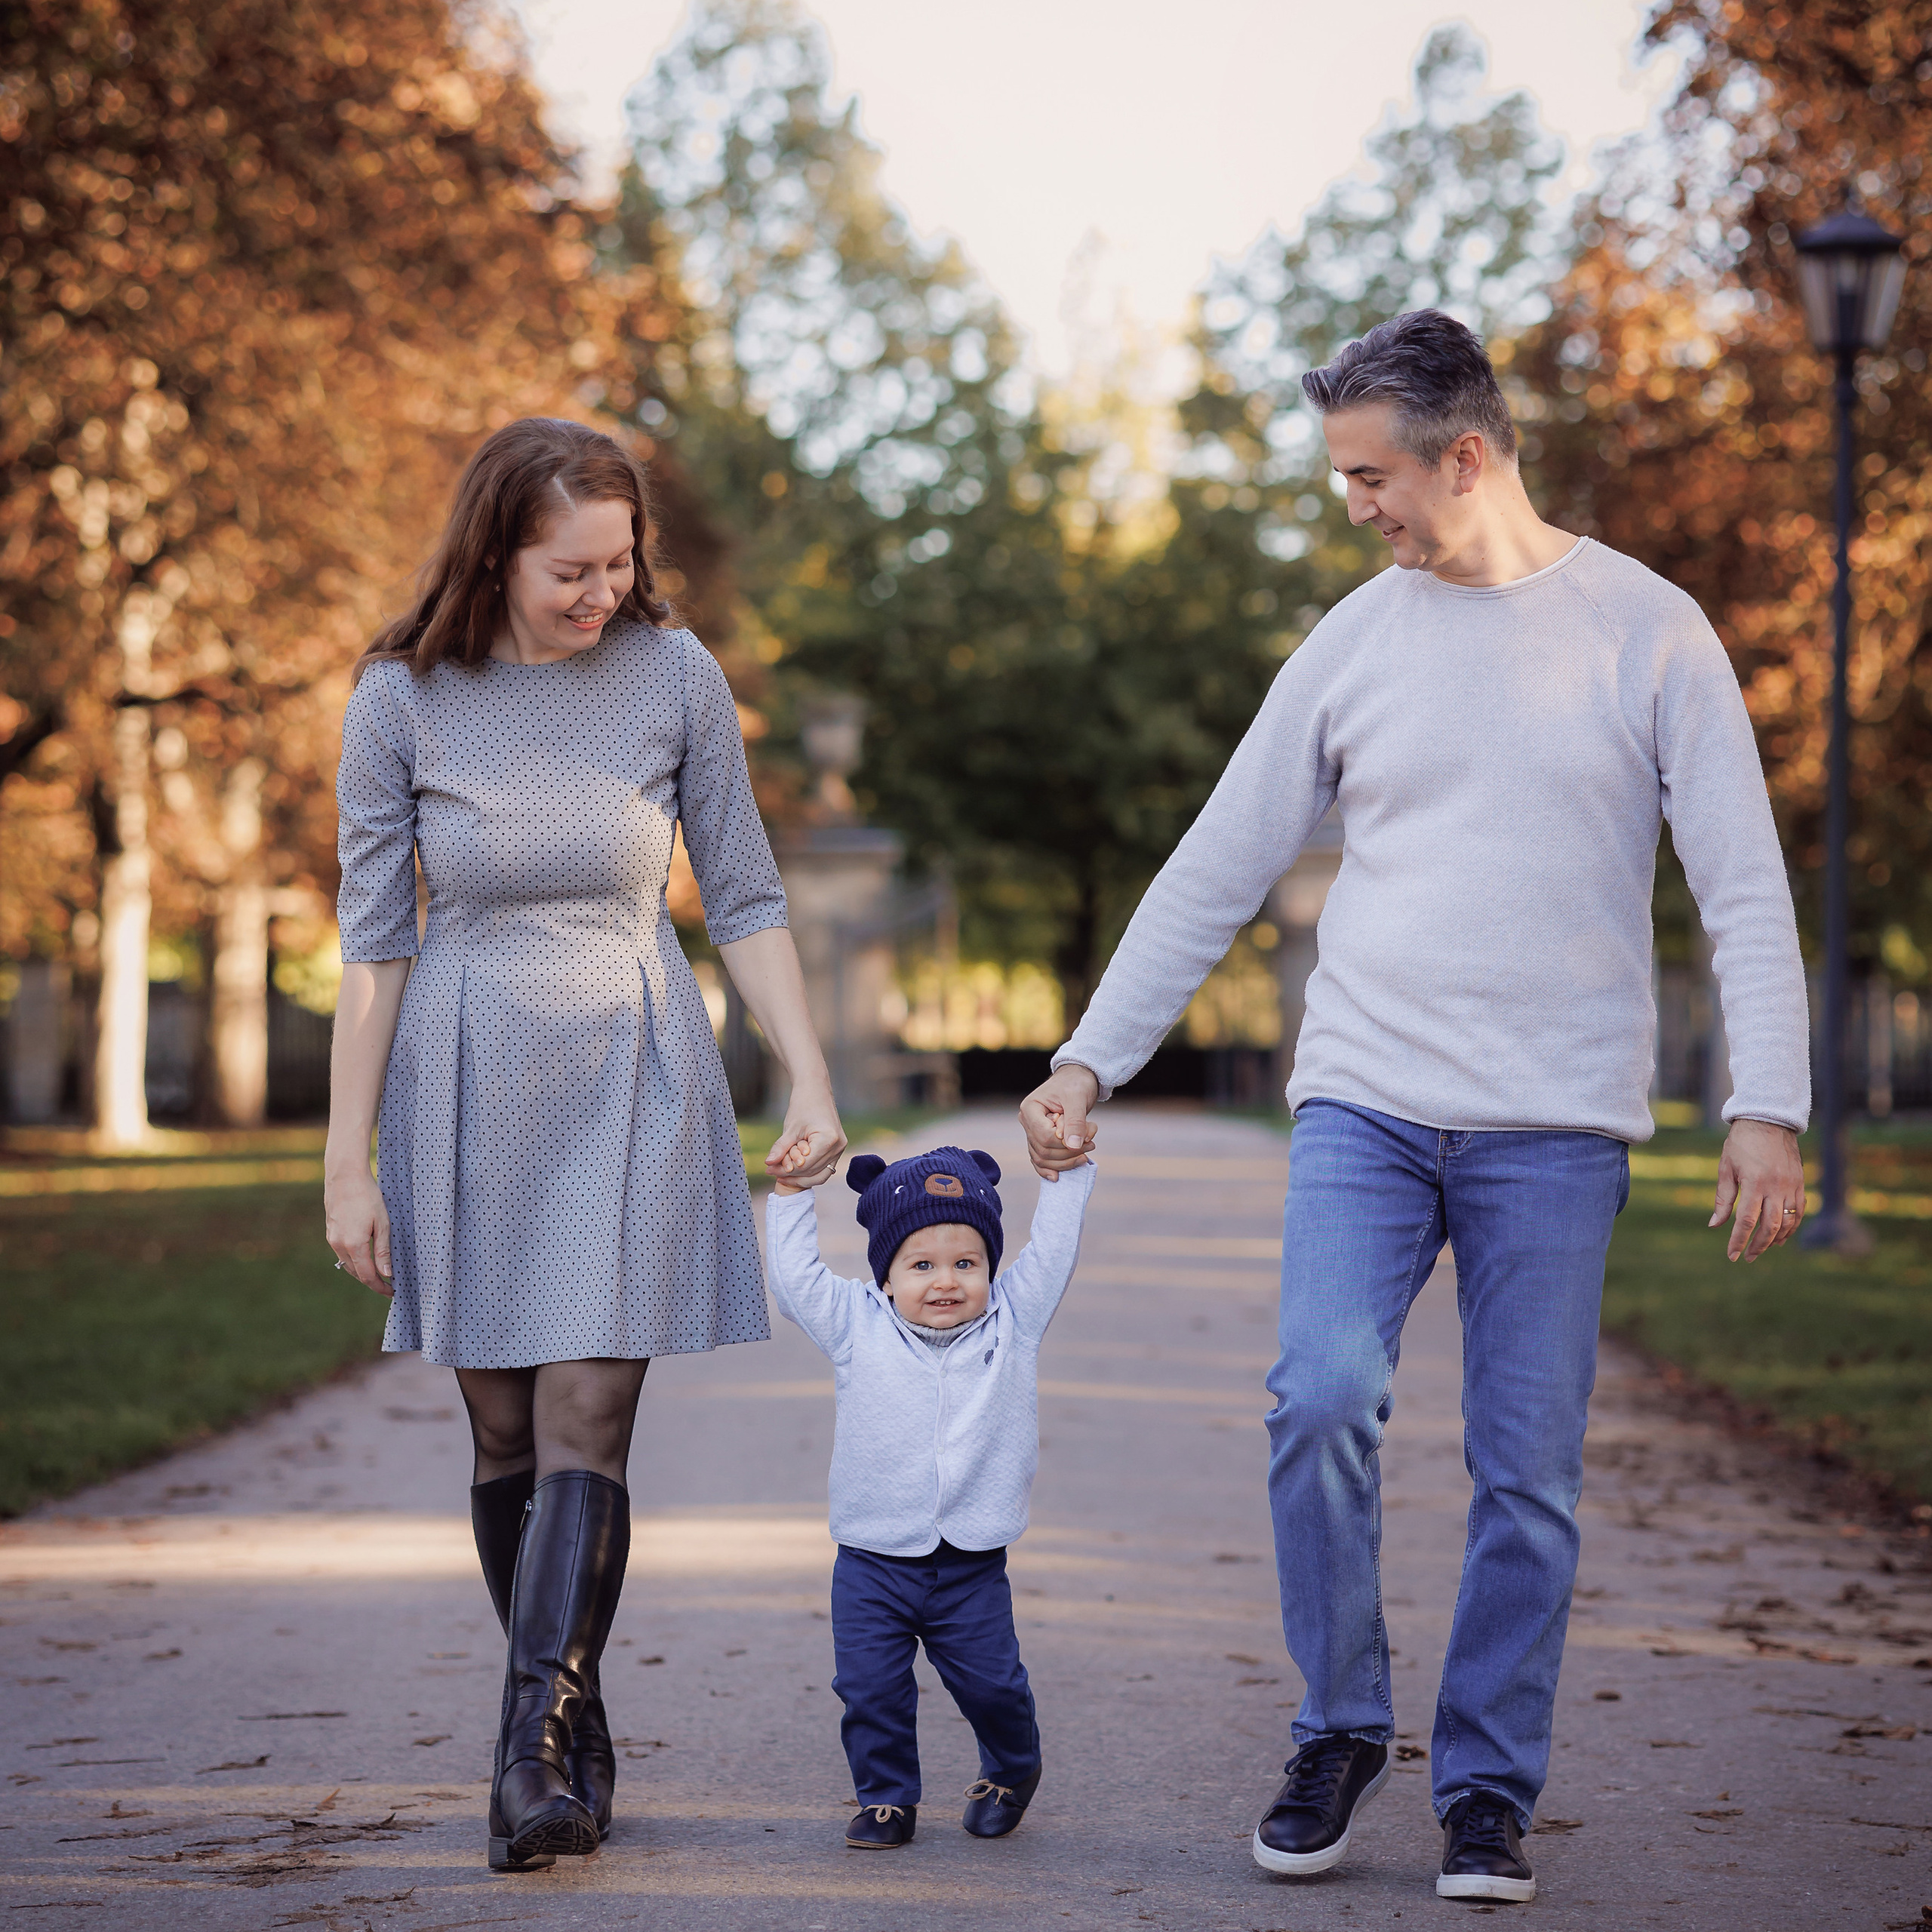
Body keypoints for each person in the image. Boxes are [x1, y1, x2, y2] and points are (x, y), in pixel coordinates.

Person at [1019, 311, 1810, 1905]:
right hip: (1366, 1103)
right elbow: (1218, 859)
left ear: (1466, 453)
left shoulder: (1645, 631)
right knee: (1316, 1395)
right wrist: (1089, 1051)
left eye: (1370, 474)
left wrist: (1766, 1102)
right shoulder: (1353, 638)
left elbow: (1739, 882)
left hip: (1552, 1123)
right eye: (1340, 477)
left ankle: (1485, 1788)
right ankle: (1337, 1726)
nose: (1354, 505)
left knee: (1525, 1467)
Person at [324, 417, 844, 1874]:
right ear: (496, 551)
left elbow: (742, 895)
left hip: (635, 1060)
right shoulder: (401, 697)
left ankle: (523, 1756)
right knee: (500, 1429)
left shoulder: (675, 676)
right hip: (467, 1077)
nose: (601, 590)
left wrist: (808, 1074)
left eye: (622, 562)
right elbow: (373, 946)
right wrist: (342, 1162)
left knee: (586, 1418)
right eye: (572, 568)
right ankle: (570, 1725)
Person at [764, 1143, 1094, 1848]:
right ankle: (885, 1799)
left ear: (991, 1269)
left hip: (970, 1564)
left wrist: (1066, 1174)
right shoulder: (857, 1325)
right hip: (871, 1562)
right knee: (870, 1690)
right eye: (922, 1265)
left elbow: (1056, 1249)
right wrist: (791, 1195)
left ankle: (1012, 1768)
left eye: (966, 1264)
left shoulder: (1014, 1320)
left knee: (993, 1690)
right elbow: (794, 1283)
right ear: (885, 1274)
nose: (945, 1282)